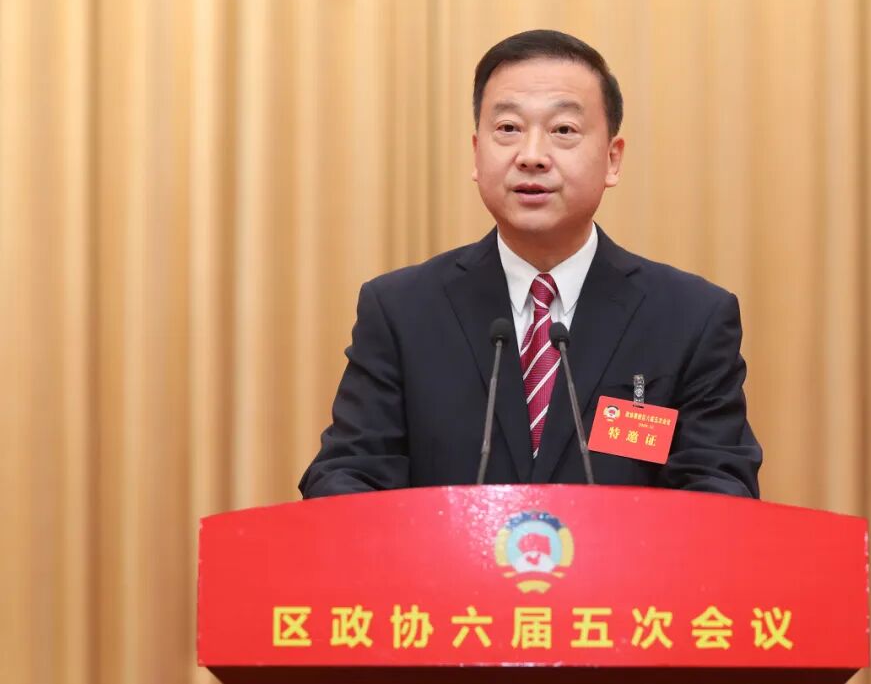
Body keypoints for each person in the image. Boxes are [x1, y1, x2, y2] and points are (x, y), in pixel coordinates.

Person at [299, 30, 762, 498]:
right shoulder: (401, 310)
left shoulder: (689, 318)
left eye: (563, 130)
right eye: (508, 129)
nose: (532, 156)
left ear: (612, 159)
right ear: (476, 152)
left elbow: (719, 488)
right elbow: (347, 475)